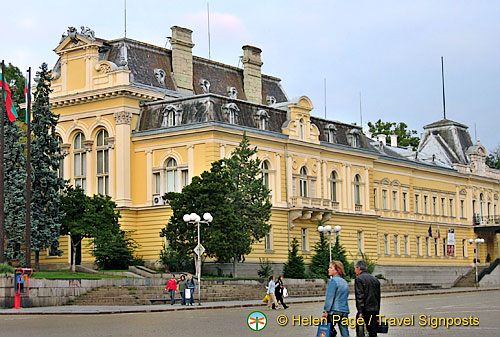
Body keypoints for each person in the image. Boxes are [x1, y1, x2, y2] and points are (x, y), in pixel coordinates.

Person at [323, 261, 350, 337]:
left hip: (334, 311)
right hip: (344, 310)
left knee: (327, 331)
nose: (328, 269)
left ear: (337, 270)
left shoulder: (333, 281)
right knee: (345, 331)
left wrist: (326, 311)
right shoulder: (344, 282)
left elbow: (329, 298)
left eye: (331, 268)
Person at [354, 260, 381, 337]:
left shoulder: (359, 279)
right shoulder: (375, 279)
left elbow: (360, 296)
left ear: (359, 268)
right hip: (374, 310)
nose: (355, 270)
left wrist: (360, 312)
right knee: (373, 332)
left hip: (365, 310)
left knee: (360, 332)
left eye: (355, 268)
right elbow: (378, 297)